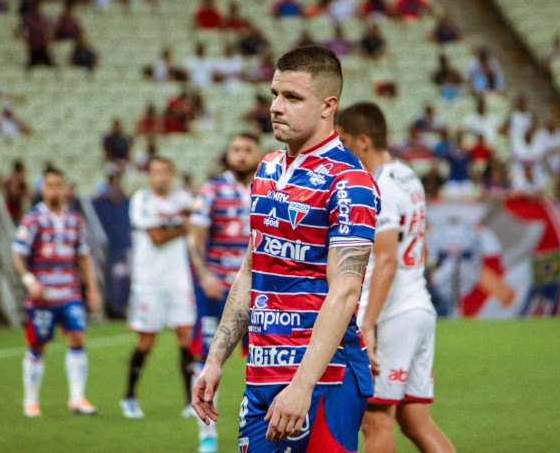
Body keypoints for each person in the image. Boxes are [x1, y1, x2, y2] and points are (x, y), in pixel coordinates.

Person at [192, 45, 379, 451]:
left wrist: (302, 385)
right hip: (261, 372)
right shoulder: (267, 168)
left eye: (292, 98)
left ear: (328, 106)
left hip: (324, 380)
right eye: (275, 94)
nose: (276, 107)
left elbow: (345, 291)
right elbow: (250, 271)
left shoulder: (351, 183)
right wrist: (215, 359)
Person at [335, 102, 456, 453]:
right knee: (415, 421)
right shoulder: (406, 175)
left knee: (376, 420)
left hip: (393, 312)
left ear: (362, 141)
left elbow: (386, 259)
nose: (339, 147)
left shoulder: (379, 186)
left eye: (342, 139)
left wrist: (368, 324)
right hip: (416, 305)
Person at [186, 133, 262, 452]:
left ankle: (264, 426)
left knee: (263, 358)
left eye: (247, 150)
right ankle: (207, 434)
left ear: (258, 153)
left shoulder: (271, 184)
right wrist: (203, 275)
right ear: (227, 154)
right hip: (218, 289)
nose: (241, 155)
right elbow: (194, 239)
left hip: (259, 289)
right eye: (235, 149)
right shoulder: (212, 189)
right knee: (207, 359)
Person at [11, 167, 102, 417]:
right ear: (42, 189)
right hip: (43, 295)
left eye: (58, 185)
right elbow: (17, 253)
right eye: (50, 185)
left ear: (65, 188)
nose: (55, 189)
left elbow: (84, 257)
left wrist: (92, 289)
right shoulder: (33, 220)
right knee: (38, 344)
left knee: (77, 337)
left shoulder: (75, 220)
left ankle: (77, 398)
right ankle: (30, 400)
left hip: (69, 292)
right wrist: (29, 280)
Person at [121, 156, 197, 419]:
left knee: (186, 336)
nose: (161, 176)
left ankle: (191, 401)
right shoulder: (141, 200)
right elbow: (157, 237)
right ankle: (129, 397)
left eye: (165, 171)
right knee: (146, 341)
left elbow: (200, 211)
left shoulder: (182, 199)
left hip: (178, 278)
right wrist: (185, 226)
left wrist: (189, 222)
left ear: (172, 174)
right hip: (149, 280)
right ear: (149, 175)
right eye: (155, 172)